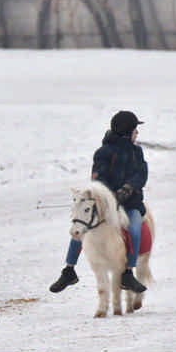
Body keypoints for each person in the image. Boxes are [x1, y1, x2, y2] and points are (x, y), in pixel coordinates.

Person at [50, 110, 149, 294]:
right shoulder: (103, 153)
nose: (137, 133)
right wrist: (111, 196)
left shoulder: (137, 152)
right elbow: (98, 178)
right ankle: (69, 270)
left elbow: (141, 174)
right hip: (106, 203)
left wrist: (127, 188)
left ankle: (128, 273)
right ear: (127, 132)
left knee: (135, 228)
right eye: (135, 129)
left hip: (131, 204)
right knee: (81, 227)